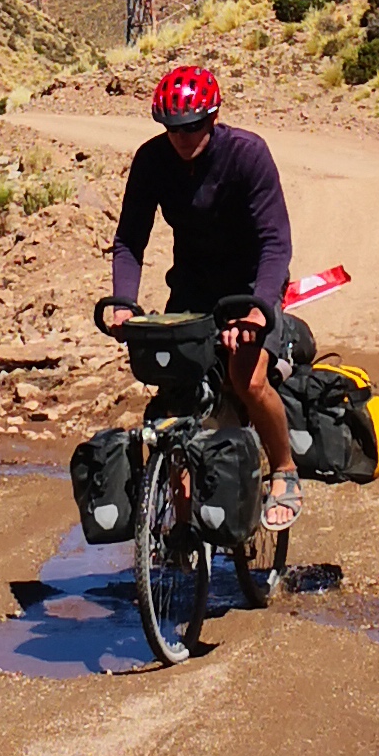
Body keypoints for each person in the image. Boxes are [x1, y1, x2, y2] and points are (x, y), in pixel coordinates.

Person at [102, 63, 300, 532]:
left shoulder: (247, 154)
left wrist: (258, 308)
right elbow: (130, 239)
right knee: (176, 399)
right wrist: (123, 301)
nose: (182, 137)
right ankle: (184, 529)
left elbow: (275, 242)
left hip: (250, 284)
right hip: (192, 288)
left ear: (213, 118)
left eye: (192, 126)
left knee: (248, 379)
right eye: (172, 128)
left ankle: (285, 471)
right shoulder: (152, 161)